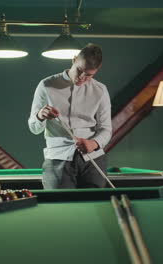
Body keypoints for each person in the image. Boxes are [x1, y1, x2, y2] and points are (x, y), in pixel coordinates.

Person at [28, 43, 112, 189]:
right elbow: (34, 128)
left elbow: (106, 129)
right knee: (58, 210)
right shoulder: (46, 85)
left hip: (93, 160)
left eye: (89, 75)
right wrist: (40, 115)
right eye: (79, 70)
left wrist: (94, 143)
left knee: (94, 209)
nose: (82, 77)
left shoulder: (101, 90)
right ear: (73, 60)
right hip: (57, 158)